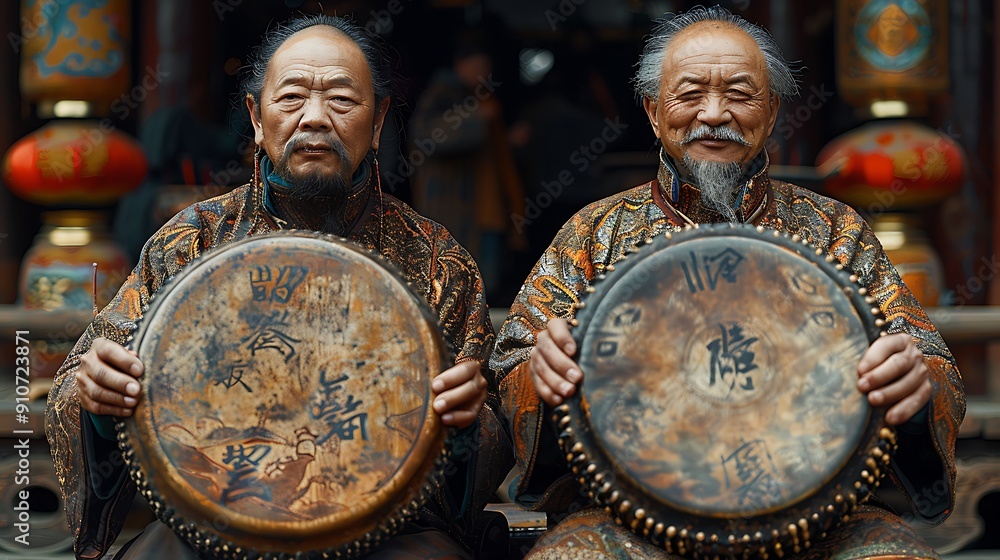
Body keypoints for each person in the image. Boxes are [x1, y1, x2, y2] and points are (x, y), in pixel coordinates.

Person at [490, 6, 964, 559]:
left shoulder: (837, 232)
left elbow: (930, 361)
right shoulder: (593, 233)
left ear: (772, 110)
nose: (713, 114)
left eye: (739, 93)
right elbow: (513, 363)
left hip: (816, 514)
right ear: (651, 110)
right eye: (689, 93)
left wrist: (915, 379)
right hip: (630, 513)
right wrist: (538, 376)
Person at [45, 14, 511, 560]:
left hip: (389, 528)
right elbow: (74, 387)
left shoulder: (437, 260)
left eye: (342, 100)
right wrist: (99, 399)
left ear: (379, 121)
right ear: (256, 118)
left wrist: (464, 422)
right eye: (291, 98)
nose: (315, 118)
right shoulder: (191, 244)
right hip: (210, 521)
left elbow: (491, 431)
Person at [409, 34, 526, 299]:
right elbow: (426, 136)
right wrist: (477, 117)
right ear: (460, 64)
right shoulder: (444, 92)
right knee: (450, 279)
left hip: (481, 207)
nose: (484, 74)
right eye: (479, 67)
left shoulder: (478, 96)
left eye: (487, 69)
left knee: (480, 281)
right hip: (449, 205)